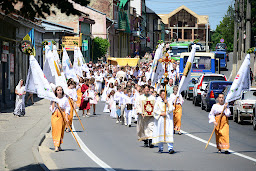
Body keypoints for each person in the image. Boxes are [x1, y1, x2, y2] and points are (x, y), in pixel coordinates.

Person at [152, 90, 175, 154]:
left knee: (168, 132)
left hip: (167, 120)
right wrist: (161, 114)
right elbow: (155, 111)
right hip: (161, 119)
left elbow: (171, 109)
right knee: (160, 132)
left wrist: (167, 103)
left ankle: (170, 148)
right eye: (162, 94)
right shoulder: (158, 102)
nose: (164, 96)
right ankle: (160, 148)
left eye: (165, 94)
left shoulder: (169, 101)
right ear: (160, 95)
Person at [50, 86, 70, 152]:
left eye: (61, 90)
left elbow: (67, 107)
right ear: (56, 91)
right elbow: (51, 109)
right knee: (55, 130)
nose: (60, 91)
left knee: (61, 130)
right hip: (55, 115)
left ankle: (59, 145)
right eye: (58, 90)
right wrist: (53, 102)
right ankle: (56, 146)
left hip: (62, 115)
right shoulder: (54, 98)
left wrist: (66, 116)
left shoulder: (65, 99)